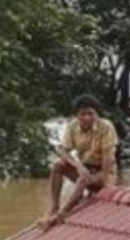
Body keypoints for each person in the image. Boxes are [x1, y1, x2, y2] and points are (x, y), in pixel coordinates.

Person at [38, 95, 118, 230]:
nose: (87, 117)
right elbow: (62, 150)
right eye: (83, 114)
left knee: (83, 179)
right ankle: (54, 207)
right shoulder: (73, 125)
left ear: (96, 114)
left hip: (103, 172)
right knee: (58, 165)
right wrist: (78, 166)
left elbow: (108, 158)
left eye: (90, 113)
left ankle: (60, 215)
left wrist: (105, 182)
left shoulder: (106, 126)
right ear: (76, 115)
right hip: (85, 169)